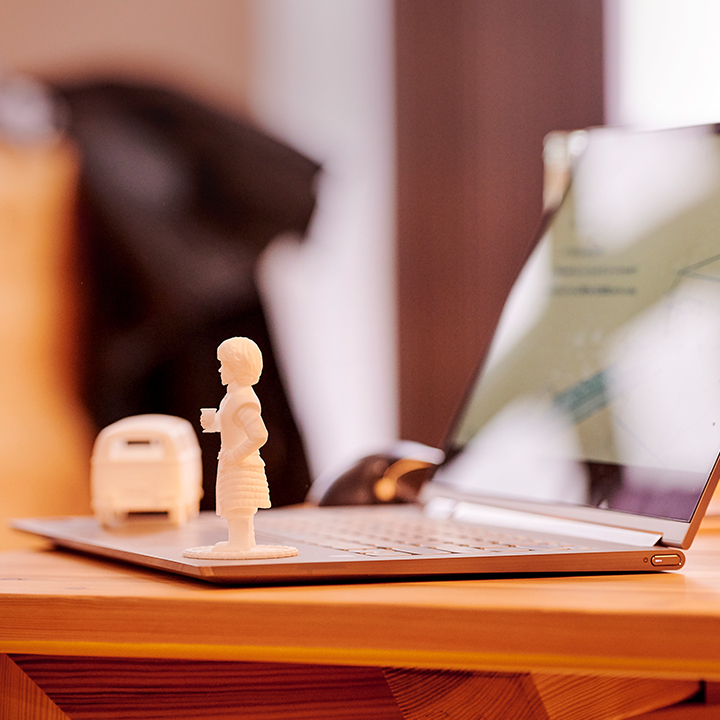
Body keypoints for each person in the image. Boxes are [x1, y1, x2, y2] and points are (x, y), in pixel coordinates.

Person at [184, 337, 297, 559]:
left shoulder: (244, 399)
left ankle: (241, 543)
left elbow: (259, 435)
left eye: (223, 365)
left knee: (239, 505)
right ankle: (239, 542)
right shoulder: (231, 397)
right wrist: (213, 423)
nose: (219, 370)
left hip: (241, 463)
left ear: (237, 367)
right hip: (231, 461)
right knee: (233, 504)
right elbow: (230, 424)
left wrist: (236, 454)